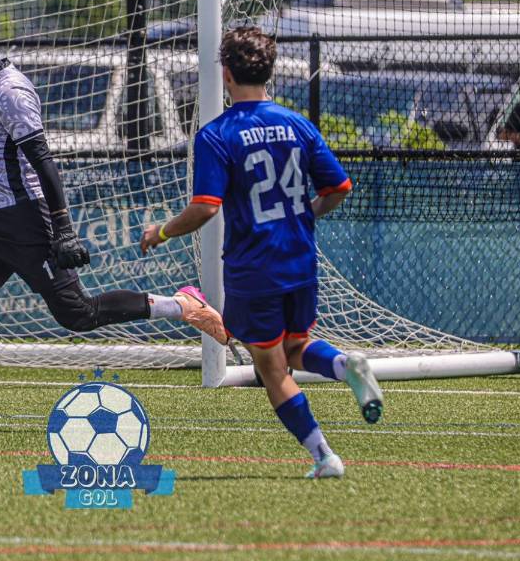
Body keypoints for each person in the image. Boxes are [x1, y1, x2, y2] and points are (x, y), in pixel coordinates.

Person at [0, 24, 227, 432]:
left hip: (26, 224)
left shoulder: (9, 92)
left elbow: (43, 160)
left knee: (78, 315)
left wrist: (62, 228)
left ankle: (183, 305)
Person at [139, 26, 382, 479]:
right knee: (296, 347)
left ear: (226, 74)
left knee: (270, 366)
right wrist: (305, 214)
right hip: (300, 258)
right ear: (268, 72)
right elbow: (340, 187)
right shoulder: (298, 124)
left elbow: (206, 208)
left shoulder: (217, 135)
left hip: (255, 266)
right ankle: (344, 364)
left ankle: (324, 456)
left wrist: (162, 231)